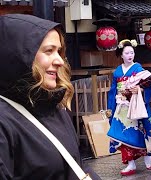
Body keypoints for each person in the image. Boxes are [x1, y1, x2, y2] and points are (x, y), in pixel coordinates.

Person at [0, 14, 100, 179]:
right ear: (16, 56)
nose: (60, 60)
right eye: (49, 51)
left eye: (59, 51)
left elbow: (76, 165)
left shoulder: (53, 105)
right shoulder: (4, 122)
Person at [107, 39, 151, 176]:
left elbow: (148, 84)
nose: (130, 55)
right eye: (127, 53)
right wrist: (110, 107)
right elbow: (113, 91)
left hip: (134, 106)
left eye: (132, 52)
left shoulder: (138, 69)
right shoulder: (117, 72)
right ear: (121, 55)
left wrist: (140, 89)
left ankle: (147, 152)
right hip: (121, 106)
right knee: (121, 134)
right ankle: (130, 163)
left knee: (139, 132)